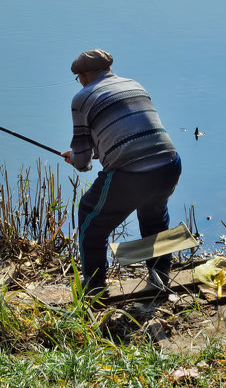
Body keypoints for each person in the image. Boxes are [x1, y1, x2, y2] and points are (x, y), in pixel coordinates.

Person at [61, 49, 182, 299]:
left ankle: (94, 287)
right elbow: (125, 137)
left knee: (90, 216)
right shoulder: (133, 84)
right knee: (154, 217)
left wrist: (77, 160)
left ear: (83, 76)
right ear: (109, 69)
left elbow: (83, 160)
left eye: (79, 78)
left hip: (131, 172)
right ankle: (160, 277)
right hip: (169, 164)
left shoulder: (82, 98)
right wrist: (90, 154)